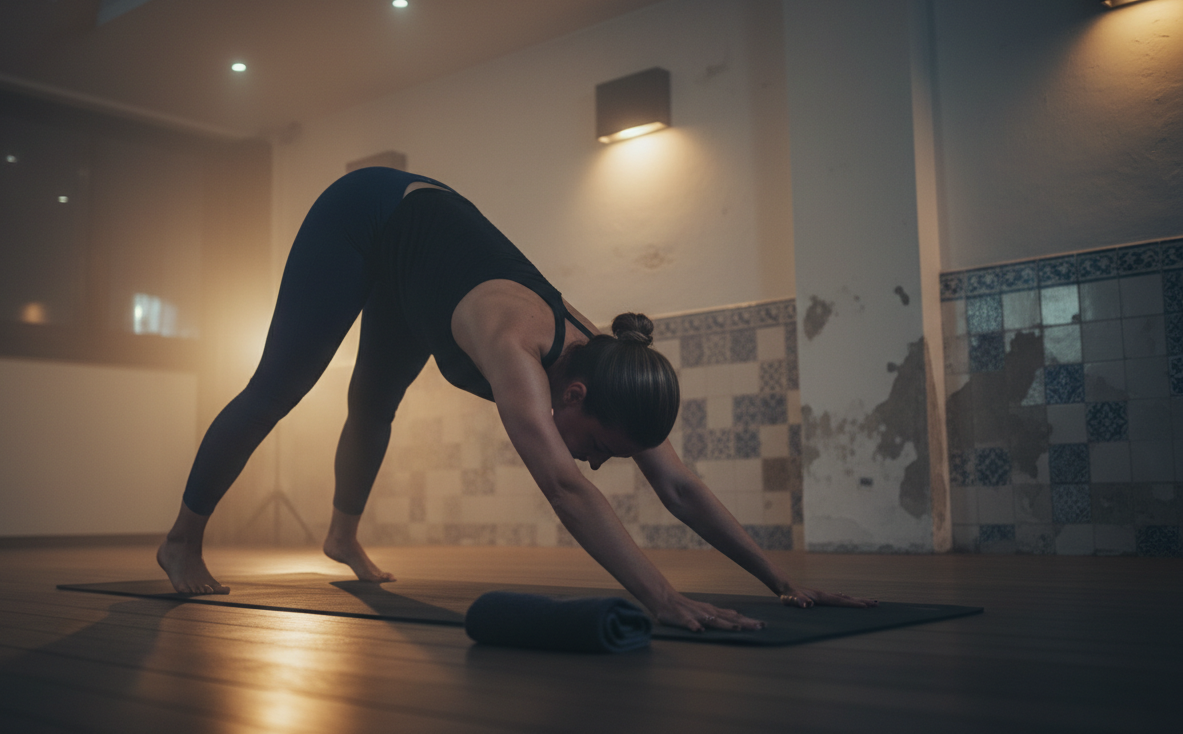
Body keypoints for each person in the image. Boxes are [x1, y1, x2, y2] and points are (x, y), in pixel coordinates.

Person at [158, 167, 876, 632]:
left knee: (374, 404)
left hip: (420, 262)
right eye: (600, 447)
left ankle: (341, 539)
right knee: (278, 387)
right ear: (574, 393)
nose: (596, 463)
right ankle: (181, 541)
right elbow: (564, 488)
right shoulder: (513, 346)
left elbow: (680, 486)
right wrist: (661, 598)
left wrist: (782, 582)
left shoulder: (611, 370)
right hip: (363, 216)